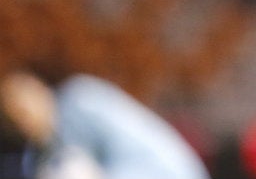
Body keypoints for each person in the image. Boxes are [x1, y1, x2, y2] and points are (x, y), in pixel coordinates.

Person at [0, 70, 211, 179]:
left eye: (22, 108)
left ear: (39, 88)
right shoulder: (40, 158)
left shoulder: (81, 101)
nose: (22, 120)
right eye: (11, 117)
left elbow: (143, 152)